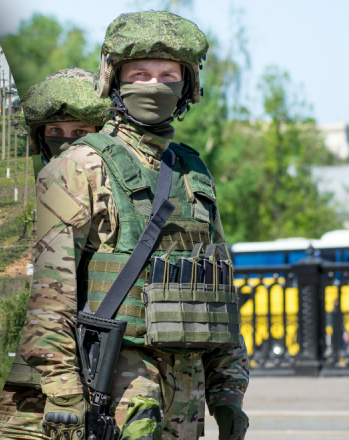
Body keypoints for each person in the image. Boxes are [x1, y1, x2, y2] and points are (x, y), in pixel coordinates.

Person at [15, 11, 250, 440]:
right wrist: (64, 393)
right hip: (116, 387)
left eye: (168, 74)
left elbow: (220, 288)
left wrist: (228, 392)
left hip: (187, 391)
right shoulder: (78, 166)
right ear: (114, 80)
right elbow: (50, 299)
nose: (154, 86)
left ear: (188, 84)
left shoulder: (193, 173)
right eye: (139, 73)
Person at [0, 67, 112, 440]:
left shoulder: (107, 199)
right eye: (55, 132)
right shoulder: (39, 189)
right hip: (17, 386)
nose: (66, 141)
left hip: (75, 382)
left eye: (79, 133)